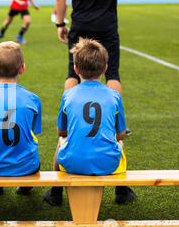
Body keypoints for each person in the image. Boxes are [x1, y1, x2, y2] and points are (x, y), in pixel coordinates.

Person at [44, 39, 135, 206]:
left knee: (61, 141)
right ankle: (122, 191)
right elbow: (121, 133)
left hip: (72, 163)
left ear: (76, 69)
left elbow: (60, 131)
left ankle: (55, 192)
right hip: (108, 164)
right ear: (105, 68)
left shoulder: (69, 95)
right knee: (120, 142)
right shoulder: (114, 95)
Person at [55, 0, 146, 96]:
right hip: (107, 25)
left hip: (81, 24)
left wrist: (60, 24)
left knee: (73, 73)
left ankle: (68, 114)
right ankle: (115, 117)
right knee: (112, 74)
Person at [0, 41, 42, 195]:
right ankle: (24, 187)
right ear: (22, 68)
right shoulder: (33, 99)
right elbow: (32, 132)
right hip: (27, 166)